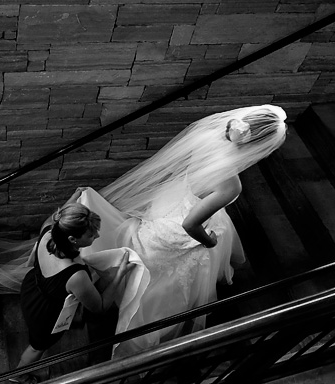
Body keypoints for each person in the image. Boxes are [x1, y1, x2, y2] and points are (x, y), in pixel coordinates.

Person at [75, 104, 289, 357]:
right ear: (257, 147)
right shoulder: (230, 184)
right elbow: (190, 225)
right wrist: (209, 242)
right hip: (181, 225)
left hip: (174, 199)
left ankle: (125, 277)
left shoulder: (210, 136)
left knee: (147, 252)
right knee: (172, 278)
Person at [9, 202, 136, 384]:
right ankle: (19, 374)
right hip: (46, 312)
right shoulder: (75, 276)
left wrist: (75, 199)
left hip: (32, 287)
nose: (97, 236)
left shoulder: (48, 229)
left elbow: (58, 218)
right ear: (73, 239)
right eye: (91, 234)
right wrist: (119, 274)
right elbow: (100, 307)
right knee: (38, 346)